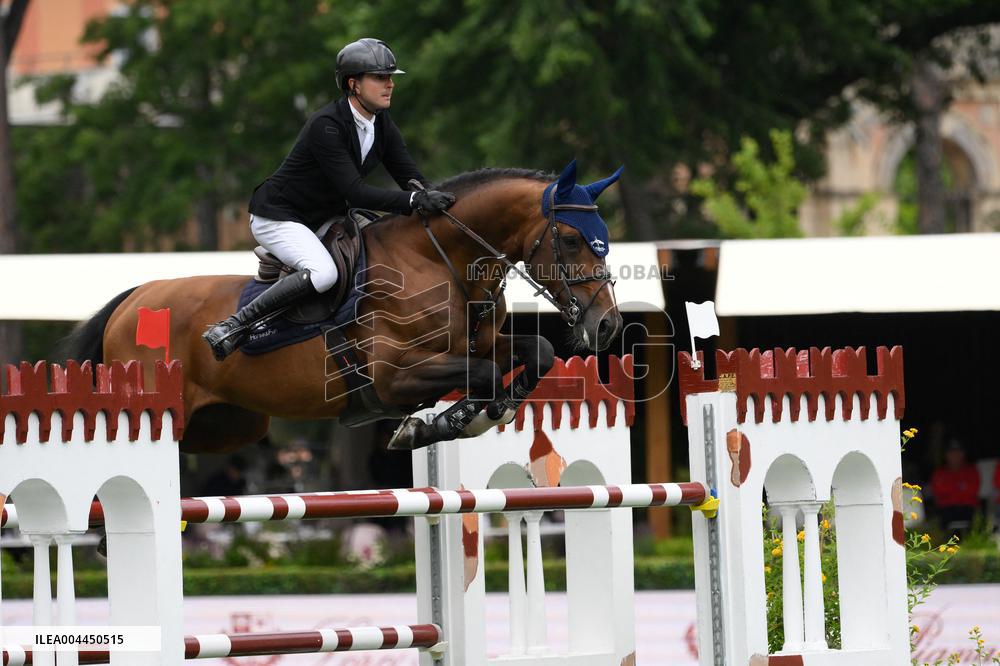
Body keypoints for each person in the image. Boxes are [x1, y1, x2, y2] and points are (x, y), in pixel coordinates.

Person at [204, 38, 456, 360]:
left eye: (391, 77)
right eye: (380, 77)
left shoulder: (382, 123)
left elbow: (410, 176)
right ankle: (235, 325)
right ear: (354, 84)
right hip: (280, 216)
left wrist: (434, 198)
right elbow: (355, 191)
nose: (390, 84)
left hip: (324, 216)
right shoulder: (327, 125)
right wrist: (412, 201)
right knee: (324, 274)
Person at [929, 439, 980, 534]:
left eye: (958, 452)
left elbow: (973, 491)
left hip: (967, 508)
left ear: (963, 454)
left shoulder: (971, 470)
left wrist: (951, 489)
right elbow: (938, 493)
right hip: (946, 509)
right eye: (951, 452)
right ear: (946, 455)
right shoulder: (939, 473)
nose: (955, 456)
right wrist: (960, 488)